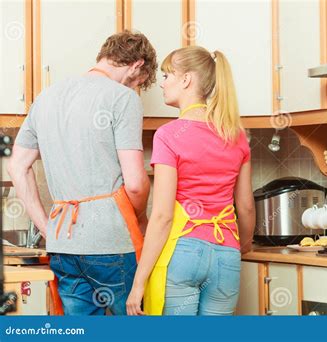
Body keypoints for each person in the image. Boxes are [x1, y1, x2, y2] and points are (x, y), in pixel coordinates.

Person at [8, 30, 157, 315]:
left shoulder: (45, 97)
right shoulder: (122, 98)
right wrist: (138, 220)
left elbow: (17, 166)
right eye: (137, 82)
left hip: (63, 243)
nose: (134, 88)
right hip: (111, 241)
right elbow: (136, 184)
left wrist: (45, 226)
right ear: (137, 64)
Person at [126, 46, 256, 316]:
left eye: (166, 75)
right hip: (227, 254)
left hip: (183, 251)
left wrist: (138, 283)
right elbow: (245, 207)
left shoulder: (168, 135)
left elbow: (162, 216)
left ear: (186, 80)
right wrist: (241, 246)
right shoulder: (236, 135)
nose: (162, 84)